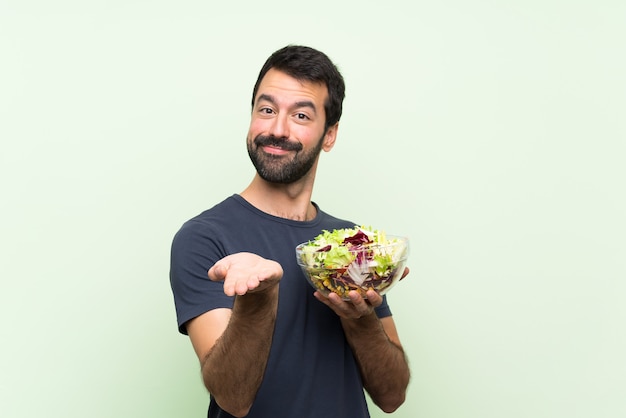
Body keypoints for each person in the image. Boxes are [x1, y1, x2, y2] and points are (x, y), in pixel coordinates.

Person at [169, 44, 411, 418]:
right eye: (266, 110)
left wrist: (360, 317)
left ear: (329, 135)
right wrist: (258, 298)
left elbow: (392, 396)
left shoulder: (347, 245)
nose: (277, 129)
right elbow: (232, 398)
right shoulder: (204, 238)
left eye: (300, 115)